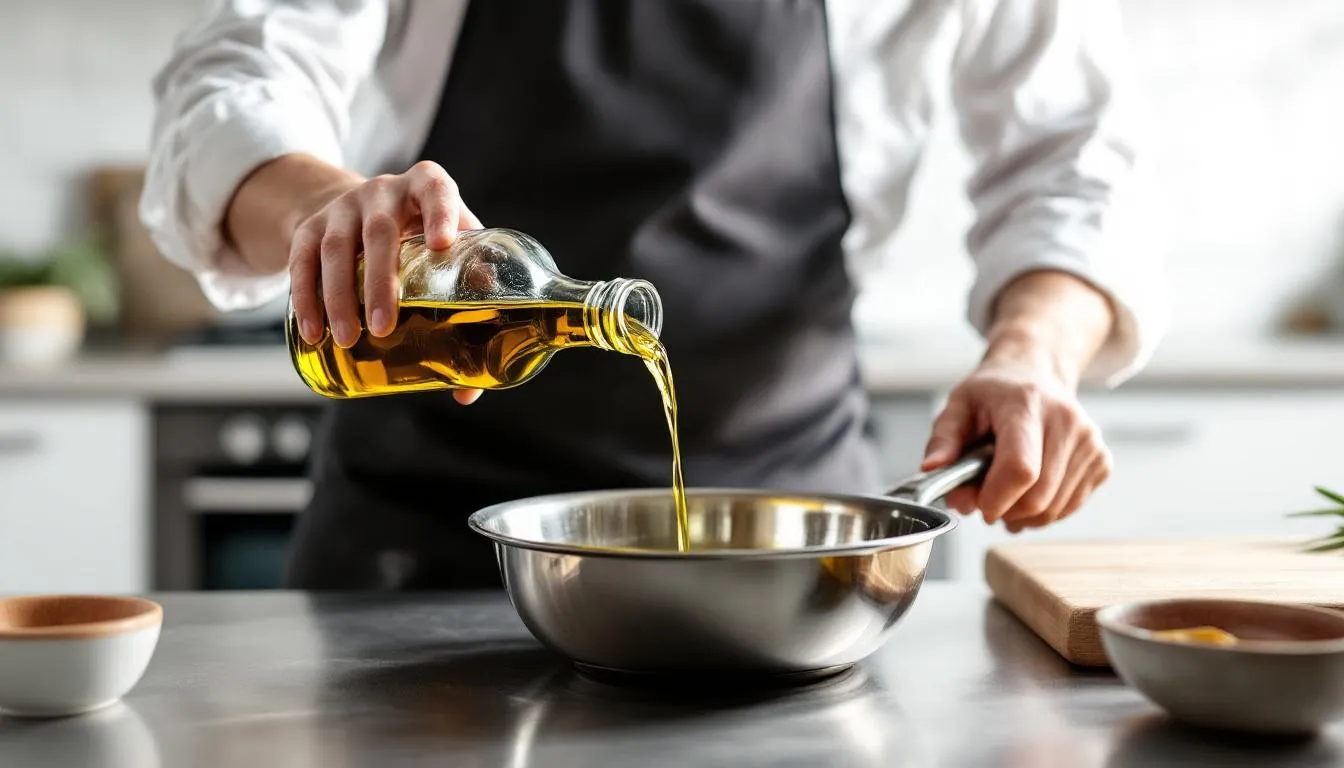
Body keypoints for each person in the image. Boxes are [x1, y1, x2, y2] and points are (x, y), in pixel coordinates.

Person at [141, 0, 1166, 590]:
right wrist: (328, 209)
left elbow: (1072, 157)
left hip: (789, 551)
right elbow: (233, 79)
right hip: (422, 551)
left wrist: (1032, 354)